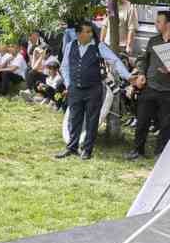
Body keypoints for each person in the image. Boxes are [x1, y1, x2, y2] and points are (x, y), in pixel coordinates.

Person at [55, 20, 130, 160]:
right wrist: (68, 84)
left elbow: (115, 61)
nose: (90, 34)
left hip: (93, 89)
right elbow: (64, 66)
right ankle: (72, 148)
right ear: (78, 34)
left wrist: (129, 76)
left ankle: (87, 150)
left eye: (91, 32)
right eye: (87, 32)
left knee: (92, 120)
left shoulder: (99, 46)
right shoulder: (71, 45)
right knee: (74, 118)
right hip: (75, 89)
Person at [128, 9, 170, 160]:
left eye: (159, 21)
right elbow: (142, 59)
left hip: (167, 92)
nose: (155, 23)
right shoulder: (153, 41)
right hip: (150, 87)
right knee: (142, 121)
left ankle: (160, 154)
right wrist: (141, 74)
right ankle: (137, 151)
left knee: (166, 125)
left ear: (168, 24)